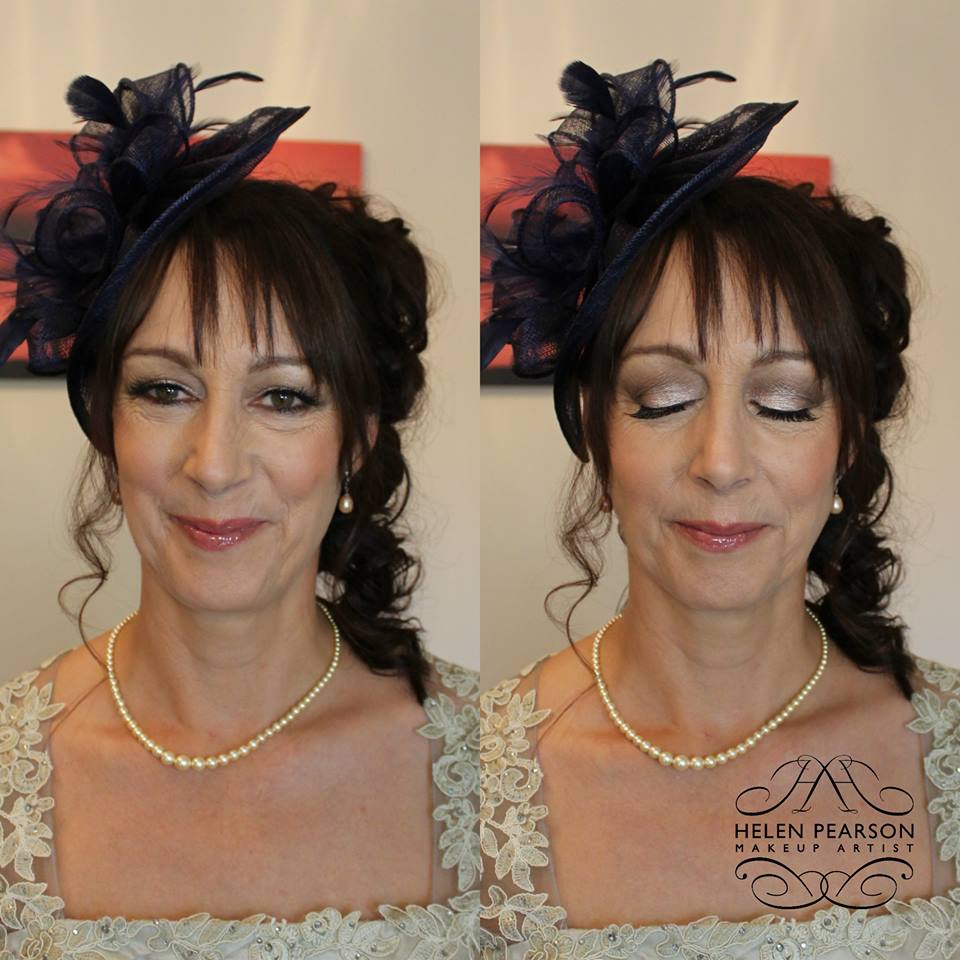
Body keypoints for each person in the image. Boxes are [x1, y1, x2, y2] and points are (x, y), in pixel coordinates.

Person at [478, 58, 959, 958]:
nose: (722, 463)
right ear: (597, 431)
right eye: (664, 397)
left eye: (784, 404)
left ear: (847, 442)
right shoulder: (459, 776)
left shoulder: (949, 750)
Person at [0, 64, 478, 958]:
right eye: (165, 390)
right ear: (107, 423)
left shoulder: (500, 764)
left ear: (356, 440)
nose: (213, 464)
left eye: (284, 398)